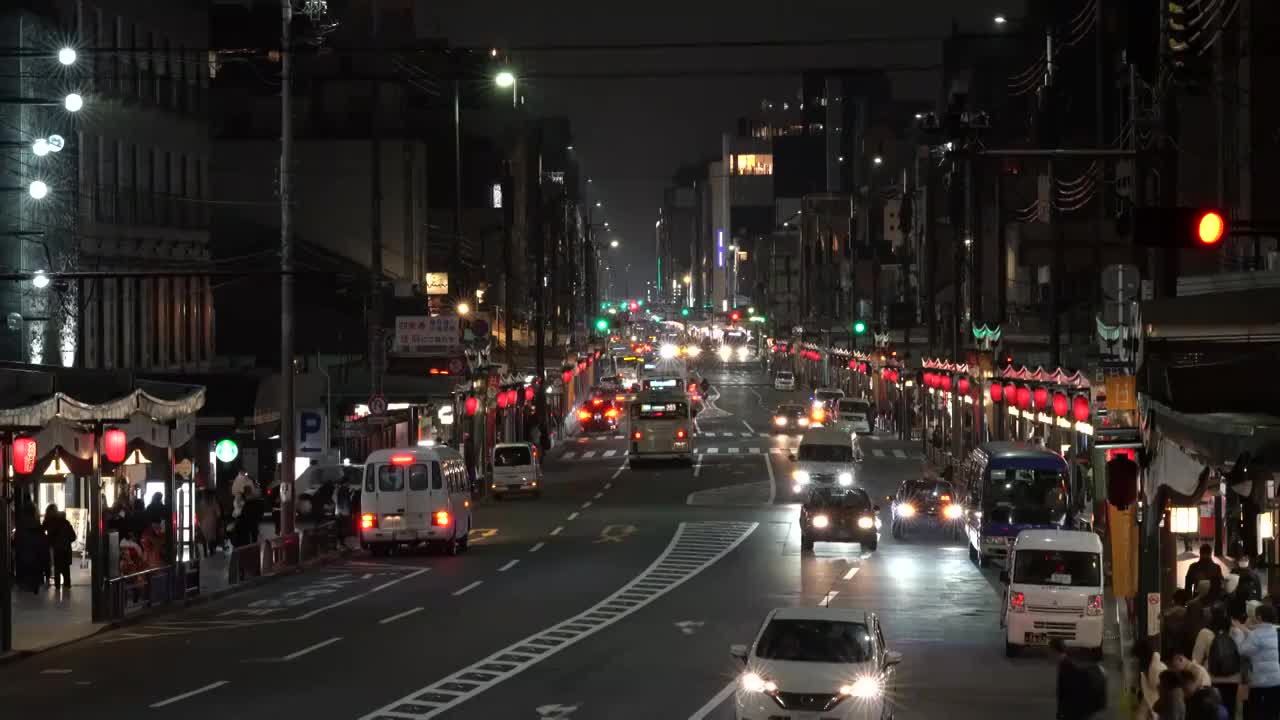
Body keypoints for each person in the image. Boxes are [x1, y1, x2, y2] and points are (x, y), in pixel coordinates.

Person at [1194, 605, 1244, 719]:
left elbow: (1196, 659)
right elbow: (1243, 655)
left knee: (1212, 713)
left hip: (1212, 679)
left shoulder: (1205, 633)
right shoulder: (1236, 632)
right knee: (1230, 712)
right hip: (1233, 680)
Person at [1236, 602, 1280, 720]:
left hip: (1261, 682)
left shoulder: (1256, 635)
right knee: (1273, 714)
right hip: (1276, 680)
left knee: (1257, 714)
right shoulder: (1275, 632)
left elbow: (1242, 651)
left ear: (1259, 617)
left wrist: (1239, 635)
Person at [1053, 638, 1107, 719]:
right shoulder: (1097, 670)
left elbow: (1064, 690)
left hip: (1076, 708)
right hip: (1083, 708)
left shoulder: (1067, 664)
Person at [43, 507, 77, 589]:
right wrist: (67, 541)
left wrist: (50, 542)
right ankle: (67, 585)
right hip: (66, 548)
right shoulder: (66, 523)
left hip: (57, 549)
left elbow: (50, 536)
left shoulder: (54, 524)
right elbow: (73, 536)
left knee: (57, 568)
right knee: (66, 569)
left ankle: (57, 585)